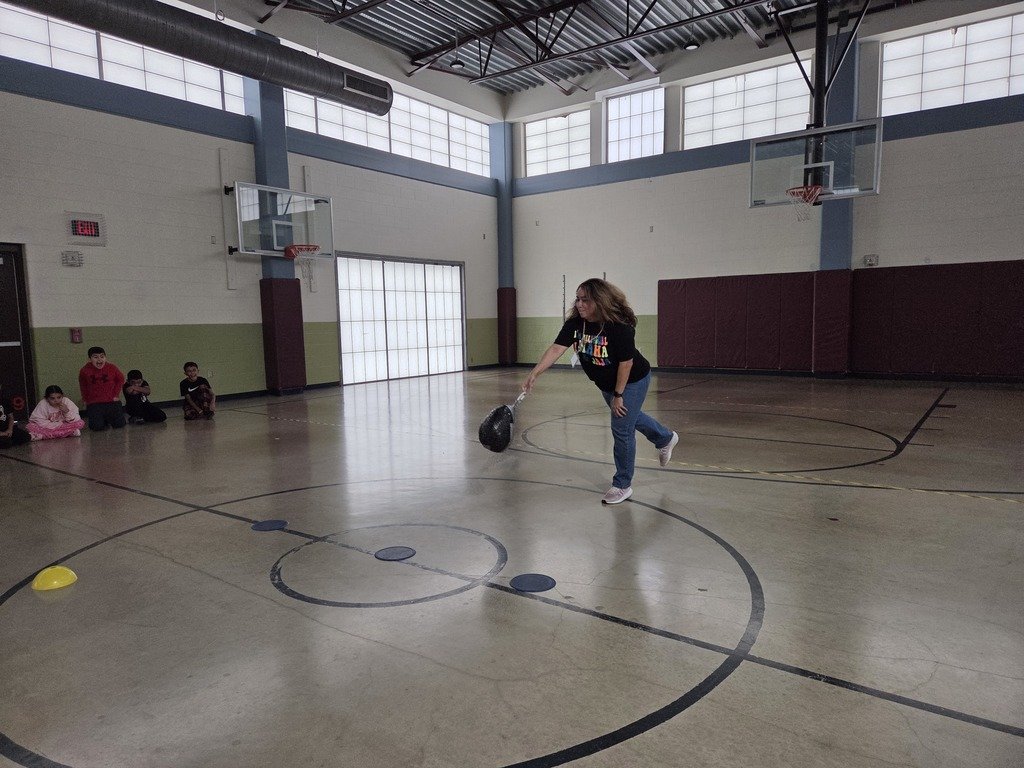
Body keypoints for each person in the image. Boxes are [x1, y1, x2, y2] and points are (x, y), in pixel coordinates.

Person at [523, 278, 678, 505]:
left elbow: (626, 363)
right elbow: (557, 348)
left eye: (585, 300)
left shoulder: (619, 327)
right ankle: (665, 438)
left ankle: (622, 484)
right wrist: (535, 372)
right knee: (630, 418)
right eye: (578, 299)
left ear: (600, 301)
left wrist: (618, 395)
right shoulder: (576, 324)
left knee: (621, 428)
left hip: (632, 380)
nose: (579, 304)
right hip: (605, 384)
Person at [78, 346, 128, 431]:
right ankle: (103, 420)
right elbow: (83, 385)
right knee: (96, 427)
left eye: (102, 356)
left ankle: (107, 418)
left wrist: (116, 395)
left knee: (119, 425)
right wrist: (85, 399)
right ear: (89, 359)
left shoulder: (112, 367)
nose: (99, 360)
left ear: (105, 357)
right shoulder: (84, 371)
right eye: (95, 357)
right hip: (94, 402)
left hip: (111, 401)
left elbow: (121, 379)